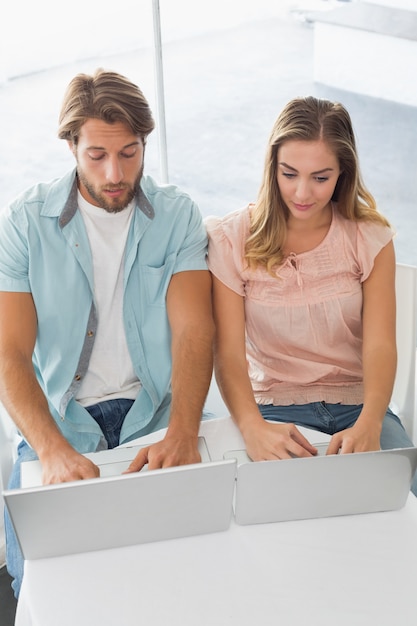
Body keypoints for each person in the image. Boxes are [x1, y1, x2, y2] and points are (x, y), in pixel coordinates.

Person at [0, 68, 214, 597]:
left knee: (185, 578)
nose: (115, 172)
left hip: (159, 419)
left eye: (130, 152)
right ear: (71, 146)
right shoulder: (25, 223)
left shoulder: (178, 216)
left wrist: (185, 431)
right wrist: (49, 449)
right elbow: (9, 351)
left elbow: (194, 332)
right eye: (97, 155)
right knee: (48, 586)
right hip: (61, 427)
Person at [206, 95, 417, 495]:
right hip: (274, 411)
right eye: (289, 174)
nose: (302, 193)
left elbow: (379, 344)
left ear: (343, 173)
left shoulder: (369, 236)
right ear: (272, 168)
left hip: (360, 404)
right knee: (278, 511)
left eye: (321, 178)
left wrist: (371, 423)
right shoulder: (231, 238)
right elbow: (228, 354)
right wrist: (252, 428)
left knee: (400, 500)